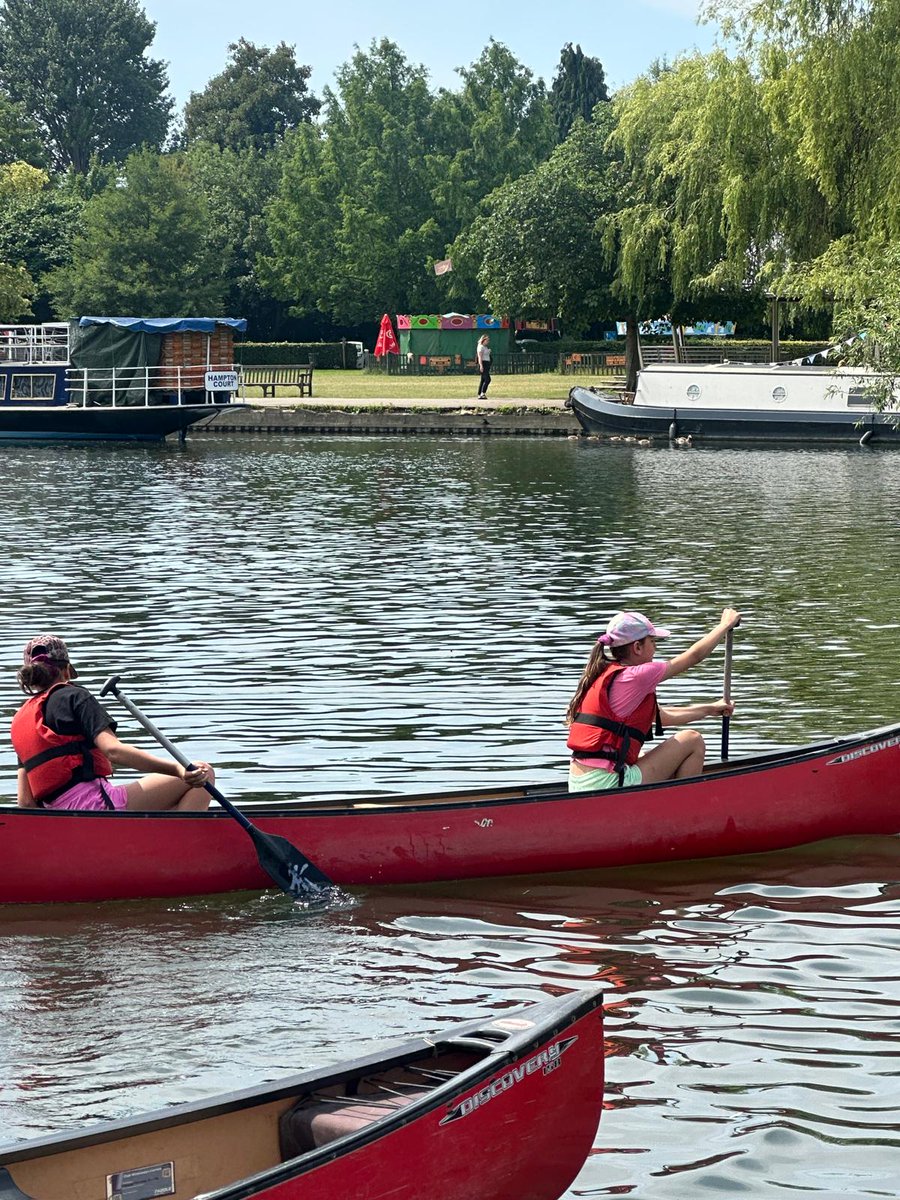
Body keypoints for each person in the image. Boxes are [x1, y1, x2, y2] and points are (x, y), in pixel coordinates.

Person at [11, 633, 213, 812]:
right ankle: (180, 842)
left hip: (59, 818)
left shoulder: (22, 720)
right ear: (66, 671)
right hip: (96, 807)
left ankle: (160, 834)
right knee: (202, 772)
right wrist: (178, 770)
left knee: (172, 805)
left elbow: (25, 802)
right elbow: (114, 751)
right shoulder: (75, 696)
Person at [566, 608, 741, 792]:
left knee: (649, 756)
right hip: (607, 783)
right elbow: (694, 656)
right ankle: (684, 806)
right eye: (652, 641)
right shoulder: (638, 675)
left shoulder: (607, 674)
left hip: (581, 783)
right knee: (693, 740)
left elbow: (662, 717)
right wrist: (725, 625)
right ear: (637, 647)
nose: (655, 648)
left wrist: (710, 709)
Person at [476, 334, 492, 399]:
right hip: (483, 363)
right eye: (487, 340)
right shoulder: (481, 347)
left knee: (483, 380)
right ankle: (483, 393)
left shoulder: (485, 347)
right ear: (483, 340)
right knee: (488, 379)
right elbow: (480, 357)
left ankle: (479, 394)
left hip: (487, 364)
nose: (488, 342)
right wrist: (481, 366)